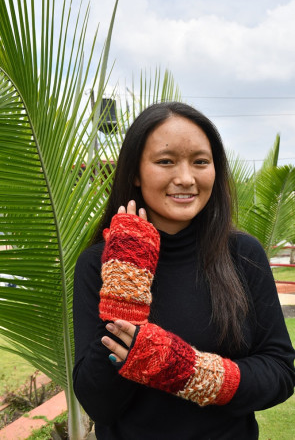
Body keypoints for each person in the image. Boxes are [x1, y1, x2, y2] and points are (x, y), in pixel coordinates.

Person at [73, 102, 295, 440]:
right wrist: (127, 285)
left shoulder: (243, 254)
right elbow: (99, 405)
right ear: (135, 171)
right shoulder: (98, 262)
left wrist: (186, 371)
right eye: (166, 161)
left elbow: (280, 373)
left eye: (200, 162)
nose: (186, 178)